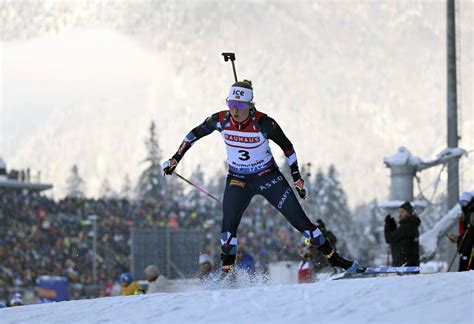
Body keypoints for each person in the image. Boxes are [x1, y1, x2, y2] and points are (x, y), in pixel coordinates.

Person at [163, 79, 364, 280]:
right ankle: (227, 274)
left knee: (301, 222)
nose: (235, 110)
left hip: (267, 177)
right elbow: (193, 135)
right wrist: (175, 159)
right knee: (228, 226)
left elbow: (288, 148)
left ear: (250, 106)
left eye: (240, 105)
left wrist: (297, 178)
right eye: (231, 104)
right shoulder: (221, 120)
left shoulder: (264, 123)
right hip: (238, 179)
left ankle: (336, 260)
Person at [384, 202, 421, 267]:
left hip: (404, 266)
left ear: (409, 213)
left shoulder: (407, 226)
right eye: (399, 212)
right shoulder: (412, 225)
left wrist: (387, 225)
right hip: (410, 265)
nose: (400, 214)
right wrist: (392, 226)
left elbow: (389, 239)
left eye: (402, 212)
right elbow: (398, 239)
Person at [456, 191, 474, 271]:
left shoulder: (471, 210)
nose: (463, 205)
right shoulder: (465, 211)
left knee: (466, 255)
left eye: (464, 202)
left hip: (470, 237)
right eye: (461, 203)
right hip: (466, 236)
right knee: (464, 254)